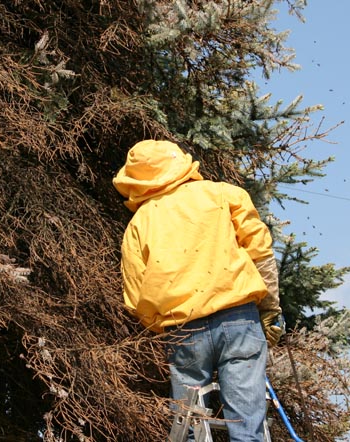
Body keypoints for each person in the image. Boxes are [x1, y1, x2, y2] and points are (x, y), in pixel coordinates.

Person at [113, 139, 282, 442]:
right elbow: (260, 253)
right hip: (239, 320)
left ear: (134, 180)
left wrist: (160, 326)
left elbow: (135, 295)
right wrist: (270, 309)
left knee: (190, 429)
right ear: (180, 161)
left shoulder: (138, 224)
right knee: (247, 429)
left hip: (183, 330)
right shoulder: (223, 193)